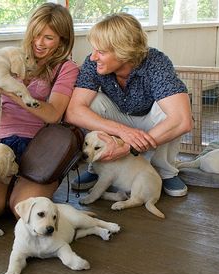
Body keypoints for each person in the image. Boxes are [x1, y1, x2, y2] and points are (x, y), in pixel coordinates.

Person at [65, 12, 193, 197]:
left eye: (101, 52)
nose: (93, 57)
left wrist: (128, 147)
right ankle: (97, 167)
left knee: (172, 111)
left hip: (151, 121)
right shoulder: (93, 64)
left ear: (123, 51)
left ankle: (165, 171)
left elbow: (183, 121)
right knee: (91, 102)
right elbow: (73, 112)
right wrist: (122, 132)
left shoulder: (156, 63)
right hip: (119, 118)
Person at [0, 3, 79, 219]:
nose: (38, 43)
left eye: (48, 38)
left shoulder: (66, 68)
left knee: (23, 212)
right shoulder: (11, 58)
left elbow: (53, 114)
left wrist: (10, 90)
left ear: (63, 39)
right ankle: (11, 187)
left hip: (37, 149)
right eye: (35, 34)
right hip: (0, 142)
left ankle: (26, 187)